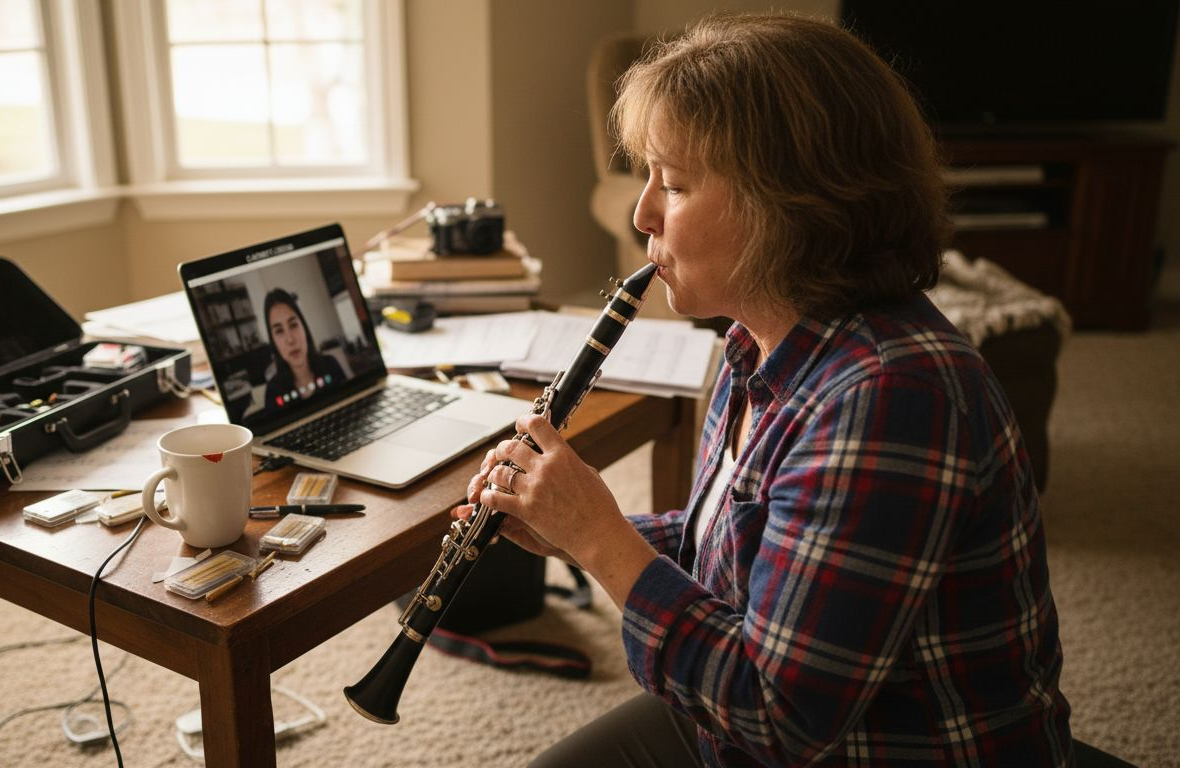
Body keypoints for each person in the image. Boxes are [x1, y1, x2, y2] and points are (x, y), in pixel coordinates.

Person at [458, 13, 1072, 767]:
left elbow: (782, 719)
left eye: (674, 183)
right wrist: (571, 532)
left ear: (788, 206)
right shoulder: (759, 340)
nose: (642, 211)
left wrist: (602, 541)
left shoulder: (889, 398)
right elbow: (732, 555)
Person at [261, 289, 346, 413]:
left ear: (304, 327)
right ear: (273, 341)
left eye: (293, 325)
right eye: (279, 331)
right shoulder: (273, 391)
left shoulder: (331, 365)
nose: (290, 339)